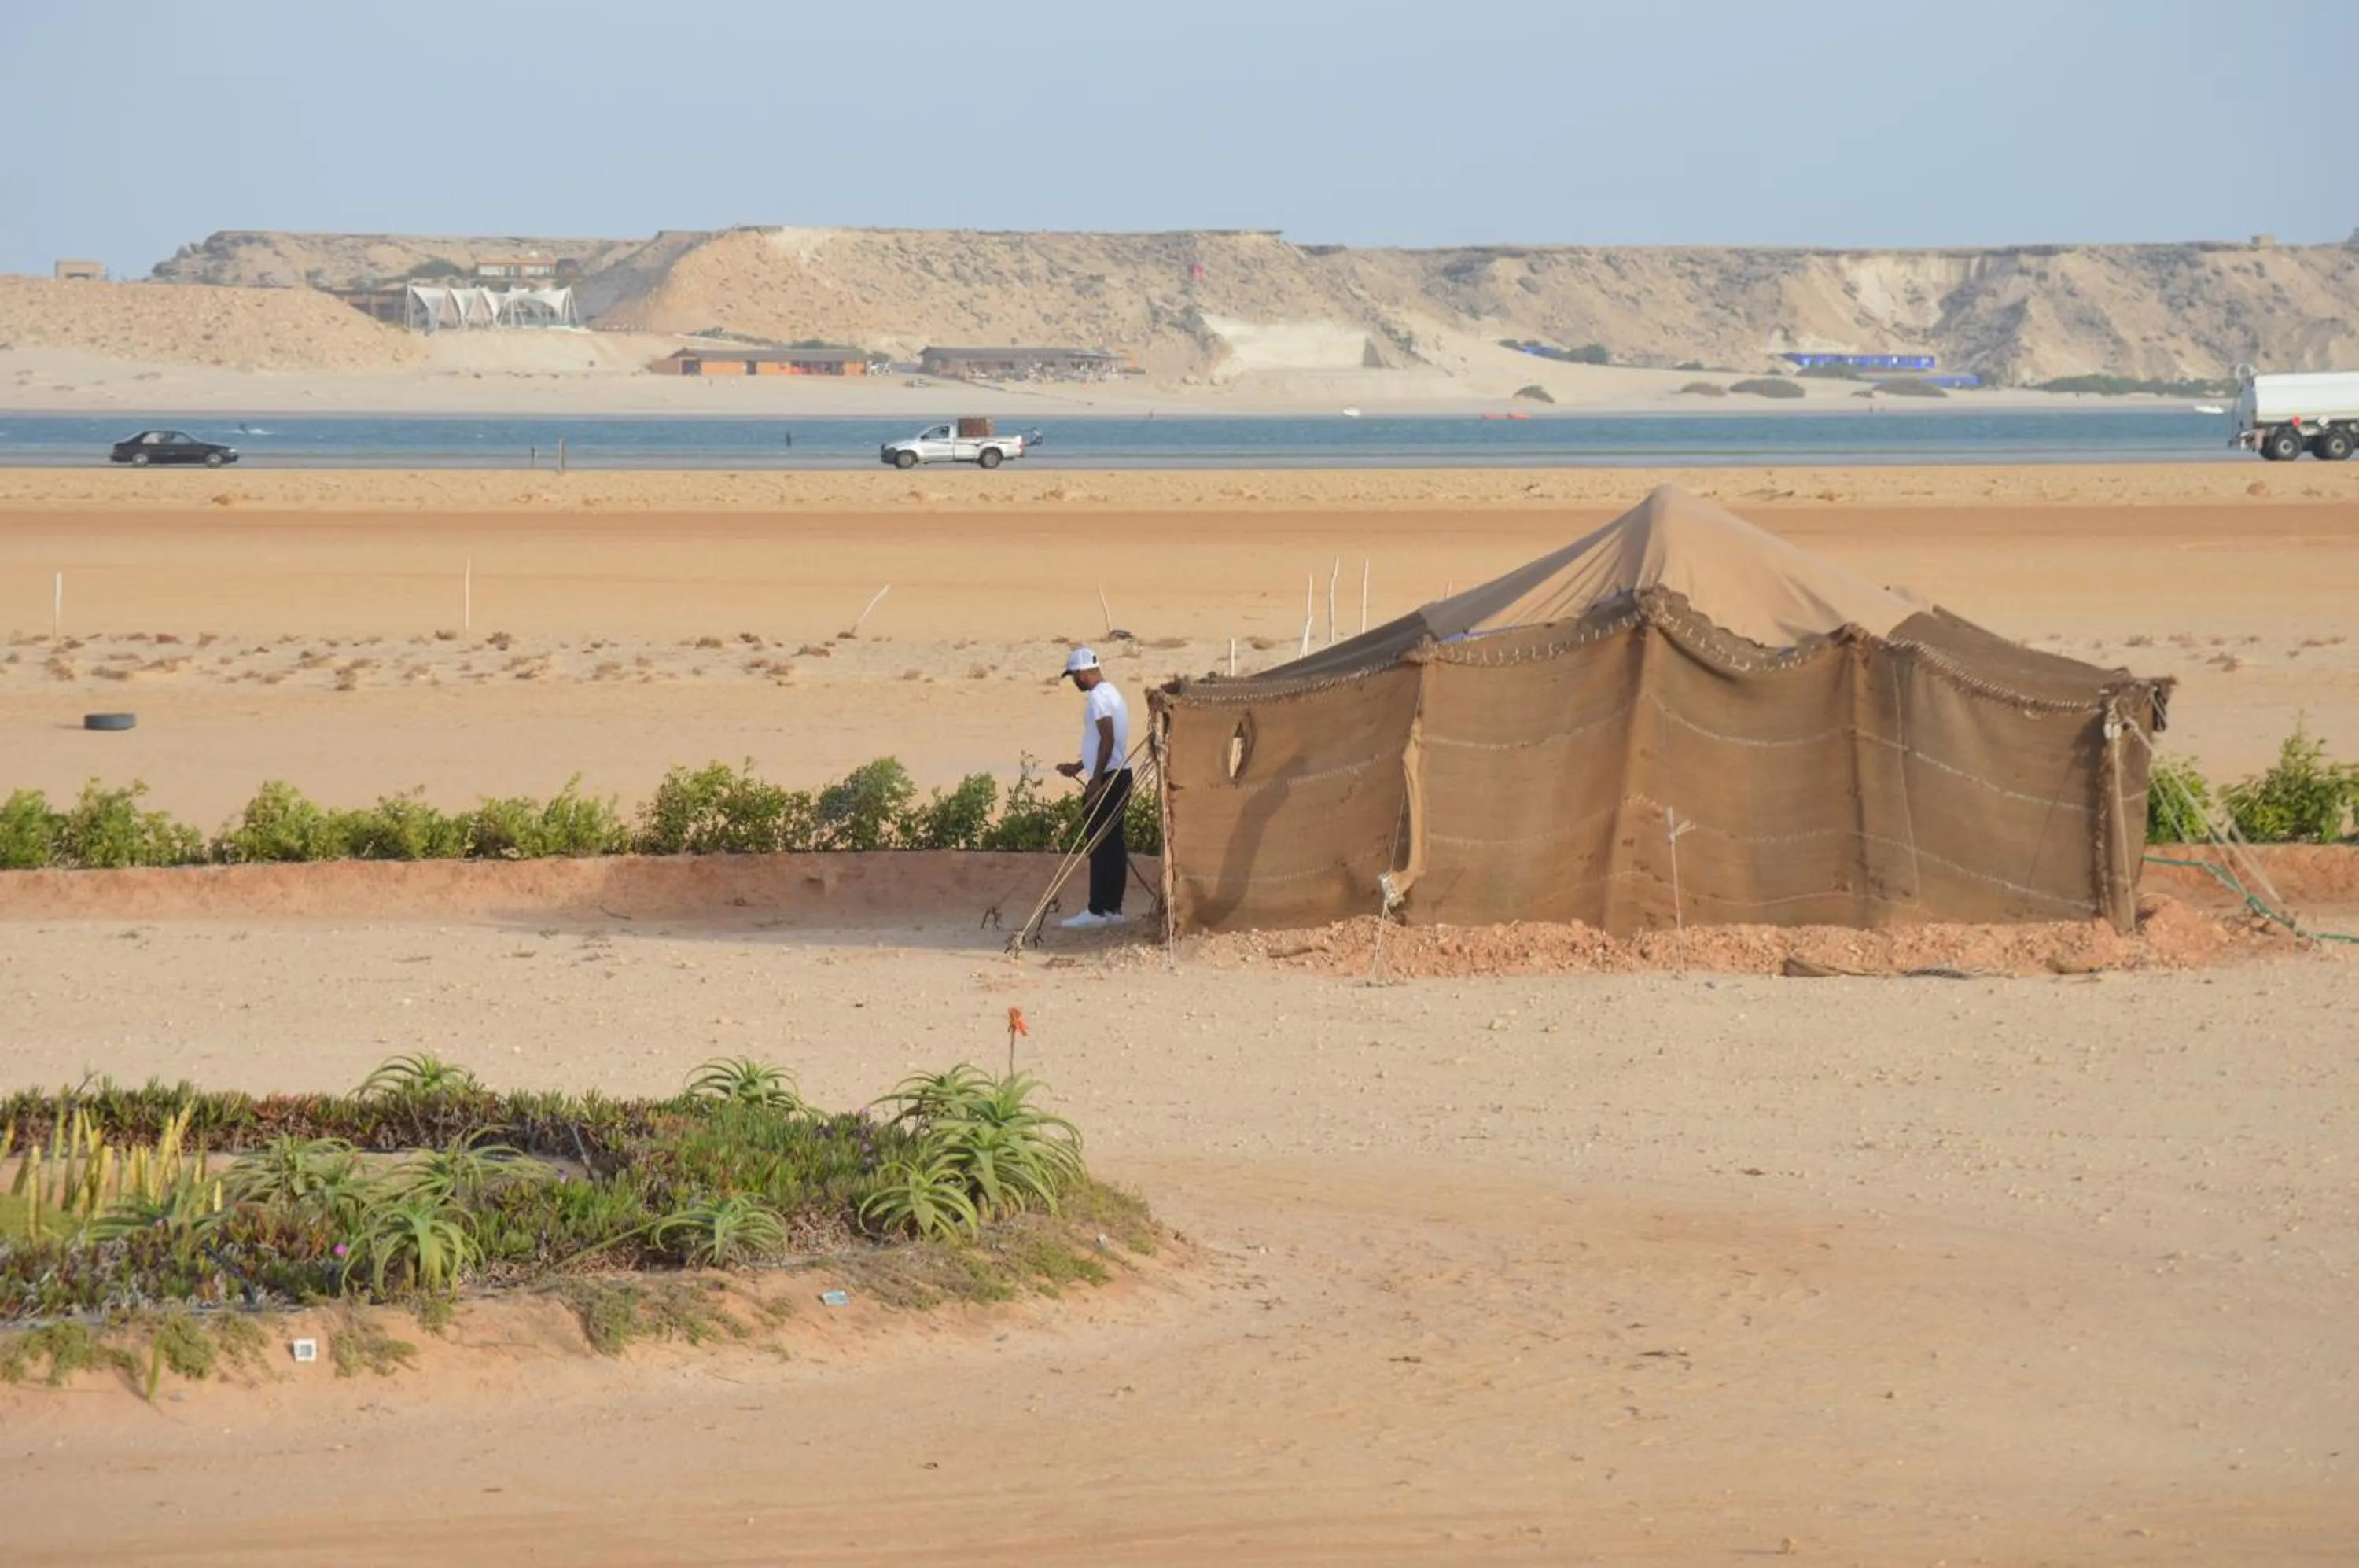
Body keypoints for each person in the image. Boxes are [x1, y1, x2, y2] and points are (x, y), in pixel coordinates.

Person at [1055, 646, 1132, 929]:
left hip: (1109, 778)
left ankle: (1098, 910)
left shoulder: (1098, 698)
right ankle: (1113, 909)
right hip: (1119, 774)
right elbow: (1104, 743)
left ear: (1084, 673)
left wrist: (1096, 780)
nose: (1074, 681)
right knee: (1113, 843)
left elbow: (1108, 738)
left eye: (1074, 675)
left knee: (1099, 843)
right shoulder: (1112, 693)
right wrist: (1079, 767)